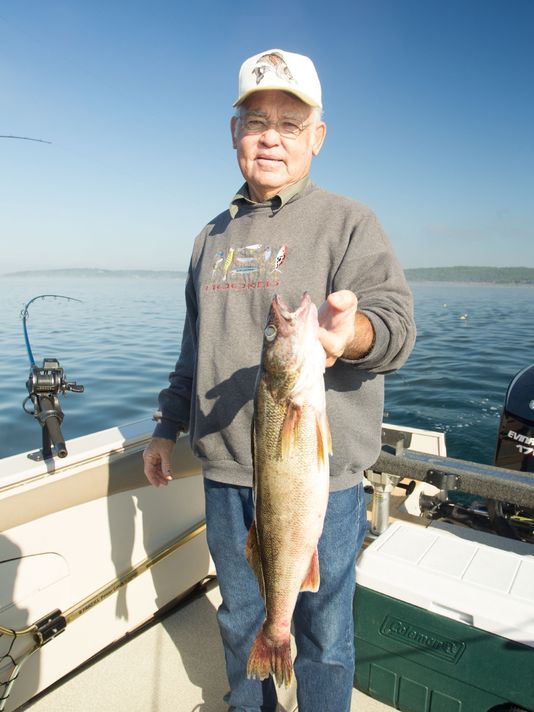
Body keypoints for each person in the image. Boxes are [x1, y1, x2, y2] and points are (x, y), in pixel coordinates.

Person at [144, 48, 416, 712]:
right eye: (256, 120)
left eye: (291, 123)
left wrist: (346, 336)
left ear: (317, 138)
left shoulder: (350, 222)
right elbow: (193, 347)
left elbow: (395, 328)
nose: (271, 135)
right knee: (243, 621)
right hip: (228, 476)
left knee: (324, 632)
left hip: (320, 486)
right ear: (234, 133)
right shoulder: (210, 236)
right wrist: (164, 427)